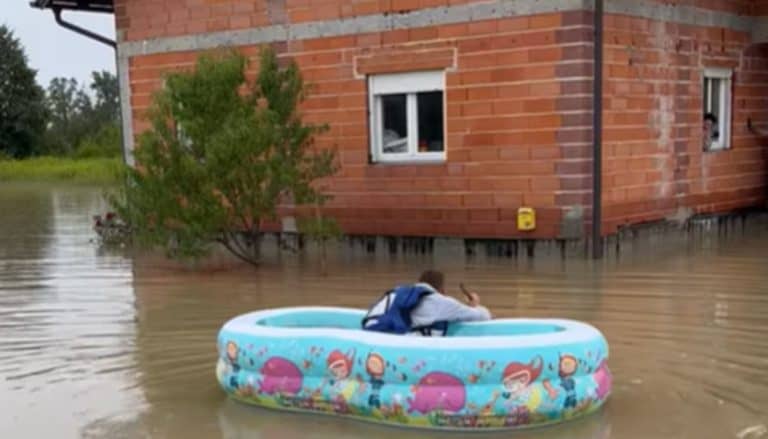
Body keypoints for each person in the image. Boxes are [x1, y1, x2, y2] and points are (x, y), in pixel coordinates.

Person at [361, 270, 492, 336]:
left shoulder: (397, 292)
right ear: (441, 290)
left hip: (372, 333)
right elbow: (485, 316)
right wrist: (475, 305)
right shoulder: (442, 302)